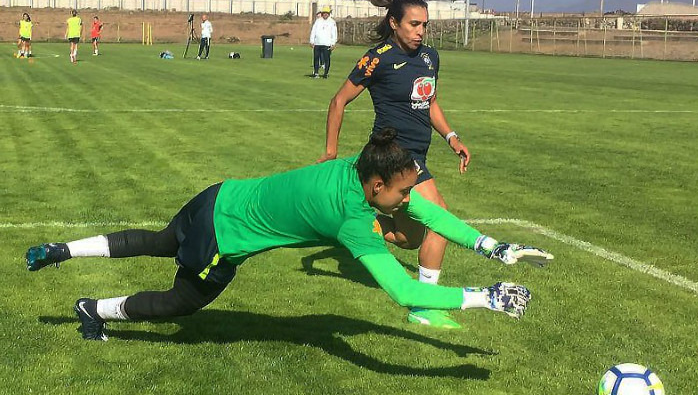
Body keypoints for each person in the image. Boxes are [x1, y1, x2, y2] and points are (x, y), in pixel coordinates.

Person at [25, 128, 550, 341]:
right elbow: (406, 293)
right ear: (376, 185)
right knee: (180, 302)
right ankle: (94, 309)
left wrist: (491, 246)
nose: (408, 200)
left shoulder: (359, 166)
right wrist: (485, 297)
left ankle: (62, 250)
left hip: (216, 195)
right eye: (401, 192)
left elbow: (428, 215)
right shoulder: (351, 220)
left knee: (160, 240)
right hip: (222, 239)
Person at [317, 0, 472, 329]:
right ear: (394, 23)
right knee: (440, 222)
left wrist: (452, 137)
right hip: (395, 156)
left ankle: (353, 225)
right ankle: (422, 304)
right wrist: (330, 151)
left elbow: (429, 102)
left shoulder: (431, 57)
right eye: (413, 24)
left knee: (410, 238)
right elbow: (339, 100)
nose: (420, 32)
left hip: (419, 154)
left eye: (424, 25)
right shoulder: (378, 59)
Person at [309, 6, 337, 78]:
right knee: (316, 58)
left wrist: (333, 43)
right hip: (317, 43)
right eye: (324, 13)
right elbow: (313, 31)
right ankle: (316, 73)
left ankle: (326, 73)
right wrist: (311, 41)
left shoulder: (332, 22)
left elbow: (334, 33)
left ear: (329, 14)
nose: (325, 14)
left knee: (327, 59)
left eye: (326, 13)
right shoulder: (318, 21)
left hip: (327, 44)